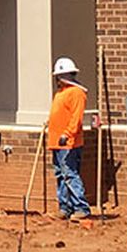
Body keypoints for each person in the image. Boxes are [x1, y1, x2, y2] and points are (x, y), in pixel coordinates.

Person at [48, 56, 90, 220]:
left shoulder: (76, 93)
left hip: (68, 142)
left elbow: (76, 118)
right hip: (57, 141)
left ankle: (81, 207)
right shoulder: (61, 93)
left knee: (69, 174)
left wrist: (67, 133)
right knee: (60, 174)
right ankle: (65, 207)